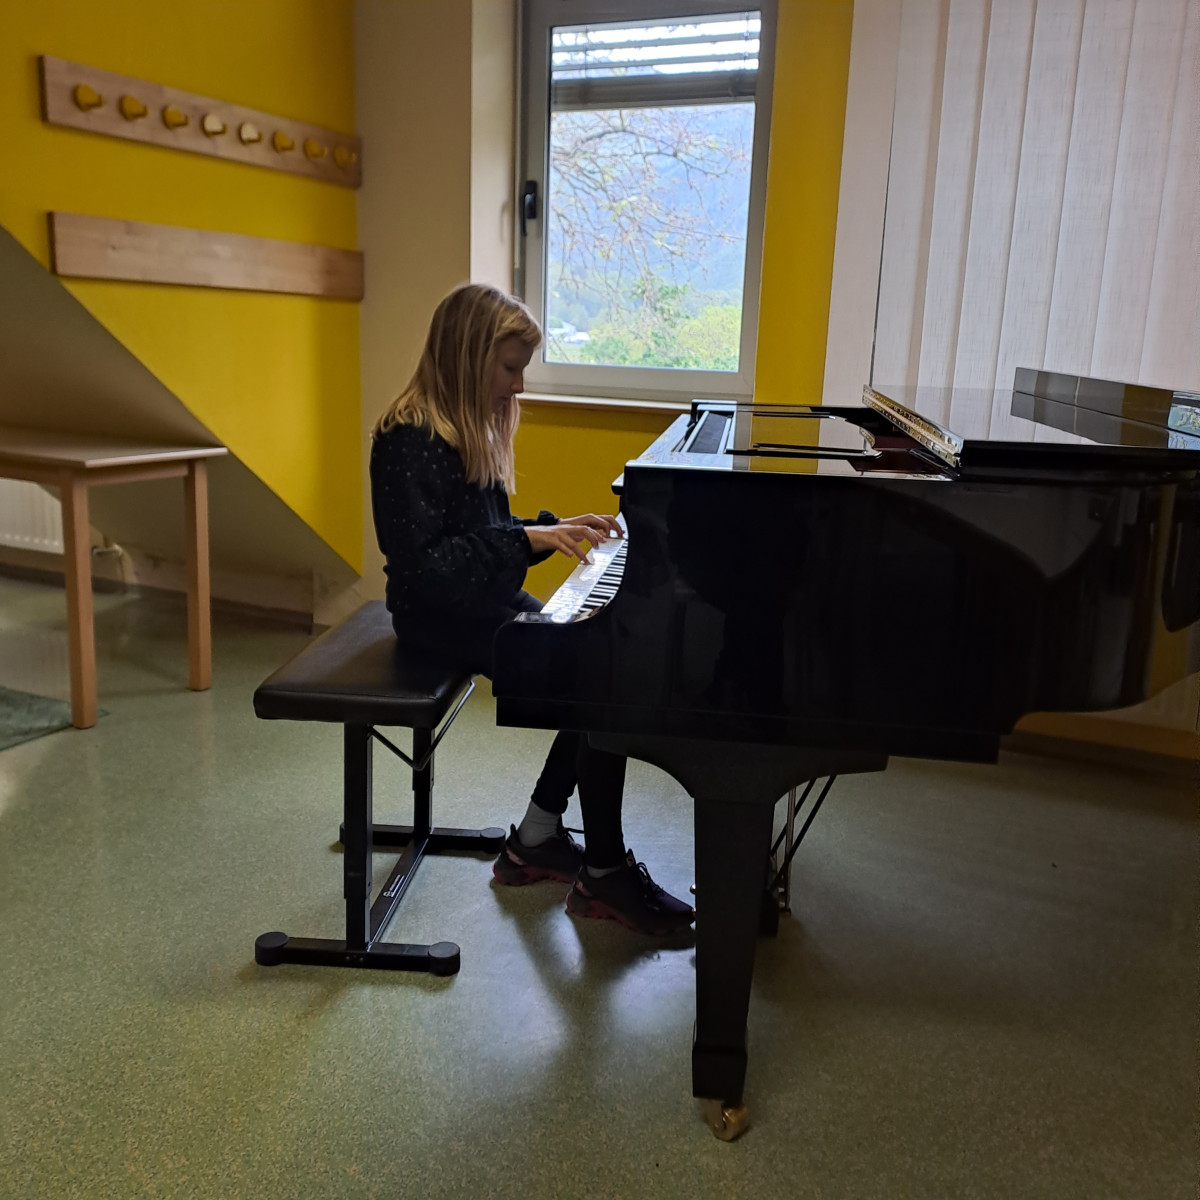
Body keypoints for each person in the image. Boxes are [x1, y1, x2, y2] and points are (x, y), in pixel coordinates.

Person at [369, 282, 693, 937]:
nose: (519, 385)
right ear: (467, 358)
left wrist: (551, 528)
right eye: (510, 368)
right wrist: (529, 540)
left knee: (593, 657)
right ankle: (598, 869)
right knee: (590, 678)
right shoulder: (408, 438)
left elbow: (479, 534)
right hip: (436, 619)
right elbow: (429, 570)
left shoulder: (466, 426)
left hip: (478, 603)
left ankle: (538, 839)